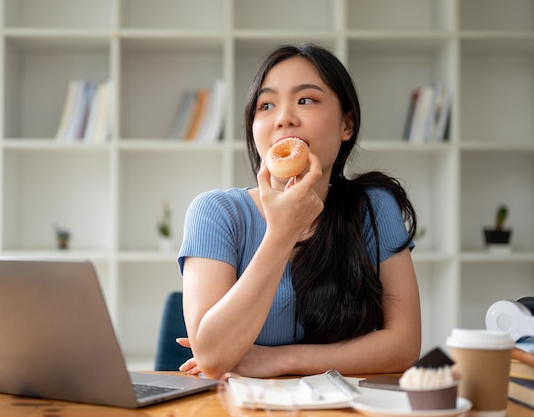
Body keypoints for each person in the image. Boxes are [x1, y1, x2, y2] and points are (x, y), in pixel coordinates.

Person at [176, 43, 421, 380]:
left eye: (306, 100)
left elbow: (404, 346)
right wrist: (281, 233)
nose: (284, 118)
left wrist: (278, 360)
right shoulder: (214, 213)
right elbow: (215, 356)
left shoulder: (374, 208)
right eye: (266, 105)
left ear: (346, 125)